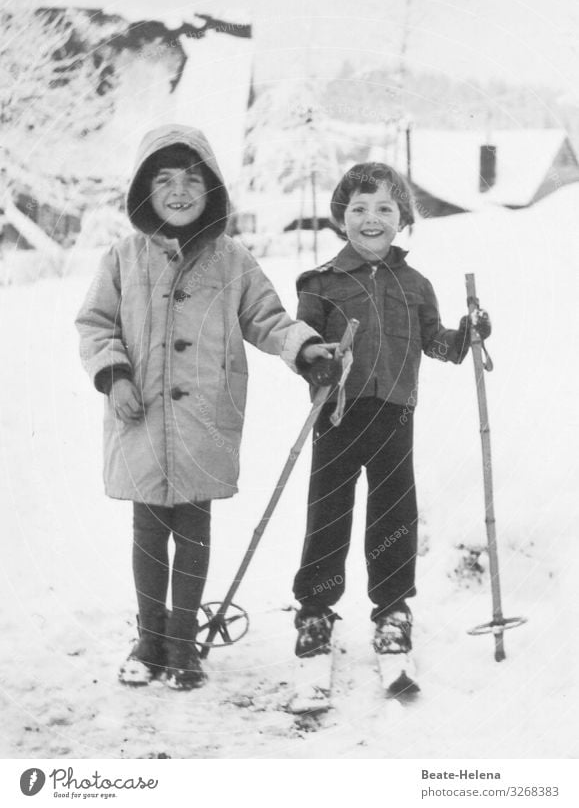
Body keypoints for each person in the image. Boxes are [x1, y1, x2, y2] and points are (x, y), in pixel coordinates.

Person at [76, 124, 332, 690]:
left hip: (204, 422)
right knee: (148, 530)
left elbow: (267, 317)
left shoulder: (232, 260)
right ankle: (148, 638)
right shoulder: (122, 258)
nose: (179, 191)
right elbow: (95, 324)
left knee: (193, 528)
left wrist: (305, 348)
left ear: (211, 188)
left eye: (192, 179)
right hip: (137, 416)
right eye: (164, 180)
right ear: (145, 190)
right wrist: (113, 373)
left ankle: (184, 641)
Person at [293, 162, 491, 658]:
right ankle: (315, 611)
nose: (371, 218)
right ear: (342, 218)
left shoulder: (416, 284)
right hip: (336, 415)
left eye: (384, 207)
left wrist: (467, 335)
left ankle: (393, 610)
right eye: (358, 208)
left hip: (395, 415)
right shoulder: (319, 283)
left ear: (401, 217)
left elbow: (436, 344)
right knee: (328, 512)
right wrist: (316, 366)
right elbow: (302, 347)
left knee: (395, 515)